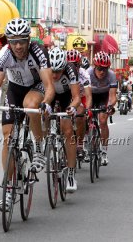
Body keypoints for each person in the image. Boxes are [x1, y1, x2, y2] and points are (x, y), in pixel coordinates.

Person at [0, 18, 55, 211]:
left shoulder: (38, 52)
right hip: (14, 88)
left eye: (22, 41)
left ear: (28, 40)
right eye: (14, 41)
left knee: (30, 104)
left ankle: (39, 146)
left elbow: (49, 87)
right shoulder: (3, 55)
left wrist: (46, 104)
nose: (18, 46)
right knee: (8, 138)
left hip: (36, 87)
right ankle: (9, 188)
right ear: (8, 42)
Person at [49, 47, 81, 192]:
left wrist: (73, 107)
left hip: (65, 95)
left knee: (68, 132)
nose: (55, 75)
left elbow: (76, 98)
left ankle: (71, 174)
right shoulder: (43, 68)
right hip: (49, 94)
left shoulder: (71, 70)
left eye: (58, 71)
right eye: (52, 71)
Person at [88, 51, 118, 165]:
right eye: (100, 68)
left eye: (105, 69)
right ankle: (86, 142)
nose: (102, 72)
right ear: (95, 66)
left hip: (104, 97)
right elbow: (85, 94)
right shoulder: (88, 73)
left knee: (102, 120)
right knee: (84, 116)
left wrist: (110, 106)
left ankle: (104, 152)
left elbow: (112, 96)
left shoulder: (111, 75)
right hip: (91, 95)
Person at [67, 49, 92, 160]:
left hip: (81, 97)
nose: (72, 68)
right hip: (68, 96)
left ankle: (80, 145)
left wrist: (87, 109)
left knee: (81, 114)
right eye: (69, 65)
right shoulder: (62, 71)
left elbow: (88, 96)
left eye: (75, 65)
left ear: (79, 64)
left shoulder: (84, 74)